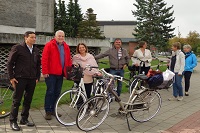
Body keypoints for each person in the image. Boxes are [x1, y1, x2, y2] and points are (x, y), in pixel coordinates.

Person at [7, 31, 41, 131]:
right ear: (25, 38)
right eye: (32, 37)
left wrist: (37, 77)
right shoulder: (17, 48)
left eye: (35, 37)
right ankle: (13, 121)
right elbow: (10, 63)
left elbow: (38, 65)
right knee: (17, 100)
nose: (34, 39)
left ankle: (24, 119)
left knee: (28, 100)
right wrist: (11, 77)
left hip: (32, 79)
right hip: (20, 78)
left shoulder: (36, 50)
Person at [41, 30, 72, 120]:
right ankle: (48, 111)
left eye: (62, 36)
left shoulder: (66, 46)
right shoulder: (49, 45)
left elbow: (68, 60)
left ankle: (54, 110)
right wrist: (45, 71)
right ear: (55, 36)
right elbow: (44, 59)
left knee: (57, 92)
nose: (61, 38)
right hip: (51, 73)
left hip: (60, 73)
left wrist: (68, 72)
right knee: (50, 92)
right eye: (59, 36)